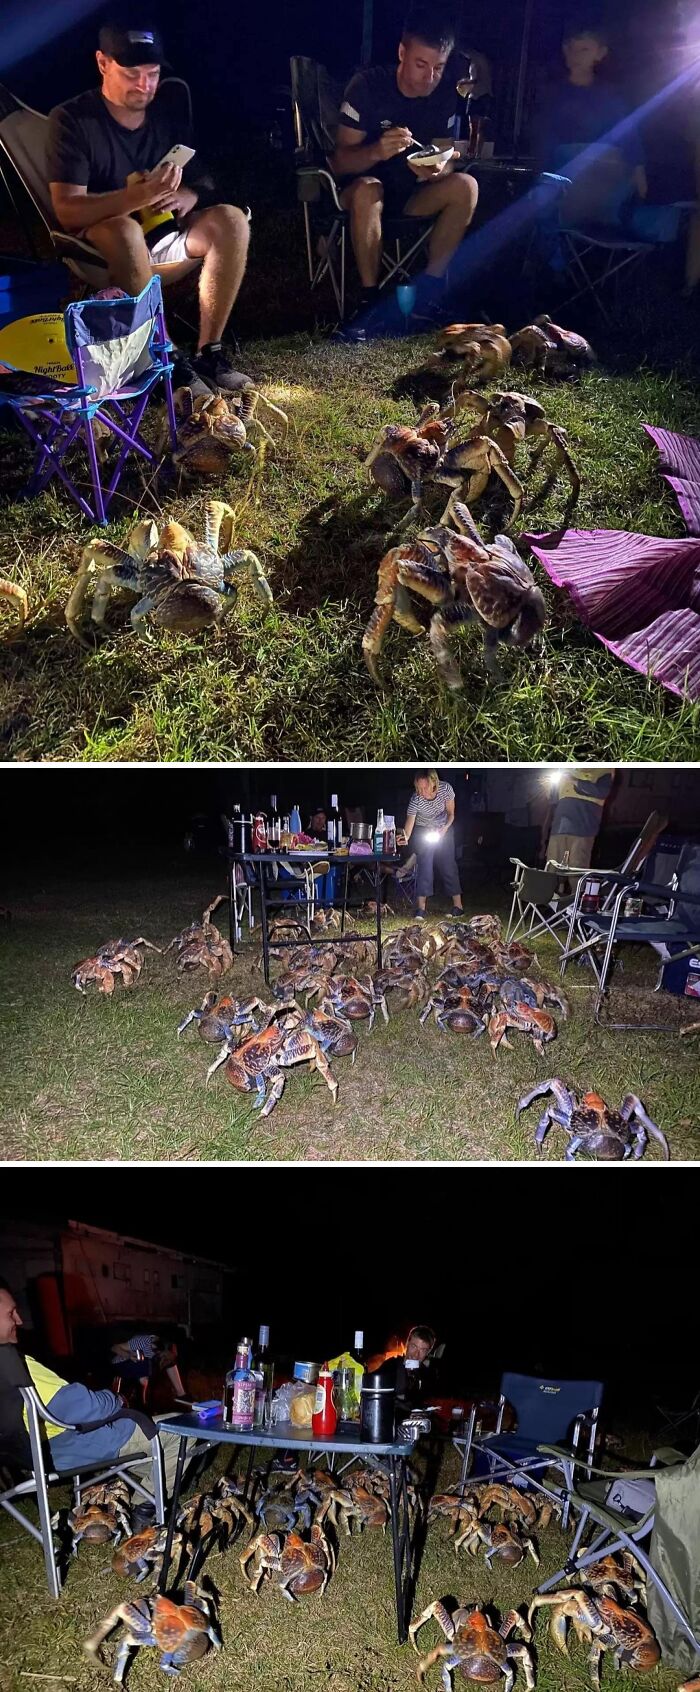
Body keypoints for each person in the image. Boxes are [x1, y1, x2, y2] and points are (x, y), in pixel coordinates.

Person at [46, 22, 251, 394]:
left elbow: (203, 178)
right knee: (123, 227)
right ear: (102, 63)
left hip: (162, 235)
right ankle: (164, 360)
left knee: (233, 219)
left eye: (153, 74)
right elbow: (68, 211)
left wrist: (190, 193)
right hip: (100, 245)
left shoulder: (165, 115)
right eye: (132, 74)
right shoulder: (74, 120)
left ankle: (210, 350)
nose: (144, 85)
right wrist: (135, 198)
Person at [330, 5, 478, 338]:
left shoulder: (443, 94)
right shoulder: (367, 87)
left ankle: (430, 294)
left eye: (438, 67)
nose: (429, 77)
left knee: (466, 185)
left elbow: (445, 152)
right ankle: (369, 303)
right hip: (360, 195)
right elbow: (338, 162)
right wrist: (375, 151)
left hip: (410, 192)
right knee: (369, 188)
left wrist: (440, 166)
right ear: (401, 53)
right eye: (421, 64)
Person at [0, 1284, 186, 1494]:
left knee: (150, 1447)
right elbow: (86, 1406)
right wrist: (116, 1399)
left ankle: (140, 1492)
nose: (20, 1320)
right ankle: (146, 1510)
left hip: (29, 1455)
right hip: (71, 1447)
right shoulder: (14, 1366)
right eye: (10, 1313)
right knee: (180, 1429)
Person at [532, 22, 647, 225]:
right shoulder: (553, 94)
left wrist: (640, 179)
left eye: (584, 49)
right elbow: (545, 143)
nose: (575, 55)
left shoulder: (610, 97)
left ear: (600, 53)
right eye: (571, 48)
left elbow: (629, 140)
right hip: (562, 185)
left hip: (603, 186)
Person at [398, 769, 463, 920]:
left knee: (448, 865)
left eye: (425, 787)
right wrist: (405, 836)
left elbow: (451, 813)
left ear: (434, 782)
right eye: (419, 788)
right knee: (424, 866)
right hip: (423, 830)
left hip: (444, 828)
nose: (422, 792)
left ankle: (458, 907)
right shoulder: (416, 799)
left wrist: (444, 828)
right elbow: (410, 823)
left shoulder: (446, 789)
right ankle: (421, 909)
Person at [542, 766, 616, 891]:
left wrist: (574, 780)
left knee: (577, 868)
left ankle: (576, 903)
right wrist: (549, 786)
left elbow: (602, 791)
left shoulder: (604, 769)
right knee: (552, 866)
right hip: (560, 825)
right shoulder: (564, 768)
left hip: (583, 827)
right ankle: (550, 903)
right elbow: (554, 798)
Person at [111, 1332, 185, 1404]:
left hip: (141, 1366)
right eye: (165, 1358)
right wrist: (129, 1355)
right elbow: (115, 1348)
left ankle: (181, 1394)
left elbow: (169, 1360)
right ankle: (142, 1404)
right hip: (122, 1363)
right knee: (145, 1366)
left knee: (167, 1363)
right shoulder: (144, 1341)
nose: (165, 1361)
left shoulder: (164, 1353)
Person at [365, 1324, 436, 1372]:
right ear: (407, 1344)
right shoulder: (391, 1366)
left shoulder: (428, 1375)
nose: (416, 1355)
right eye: (414, 1346)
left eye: (423, 1350)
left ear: (428, 1352)